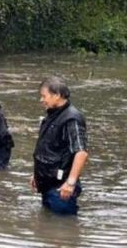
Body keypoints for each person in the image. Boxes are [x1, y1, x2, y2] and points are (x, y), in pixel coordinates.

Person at [30, 76, 89, 214]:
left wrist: (70, 183)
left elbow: (81, 152)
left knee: (63, 229)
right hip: (48, 184)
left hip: (61, 188)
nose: (41, 100)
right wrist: (37, 174)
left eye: (44, 96)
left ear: (57, 95)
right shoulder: (52, 115)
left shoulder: (72, 119)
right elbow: (47, 149)